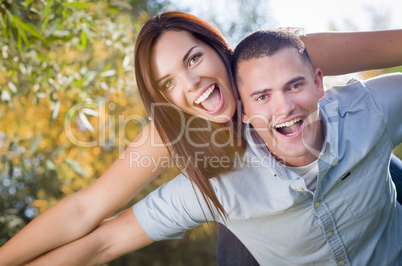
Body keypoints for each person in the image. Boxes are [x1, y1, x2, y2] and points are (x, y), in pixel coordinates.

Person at [1, 11, 402, 265]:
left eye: (193, 59)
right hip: (254, 209)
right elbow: (87, 212)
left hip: (349, 167)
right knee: (237, 213)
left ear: (218, 48)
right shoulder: (176, 131)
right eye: (169, 82)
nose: (192, 84)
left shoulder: (285, 55)